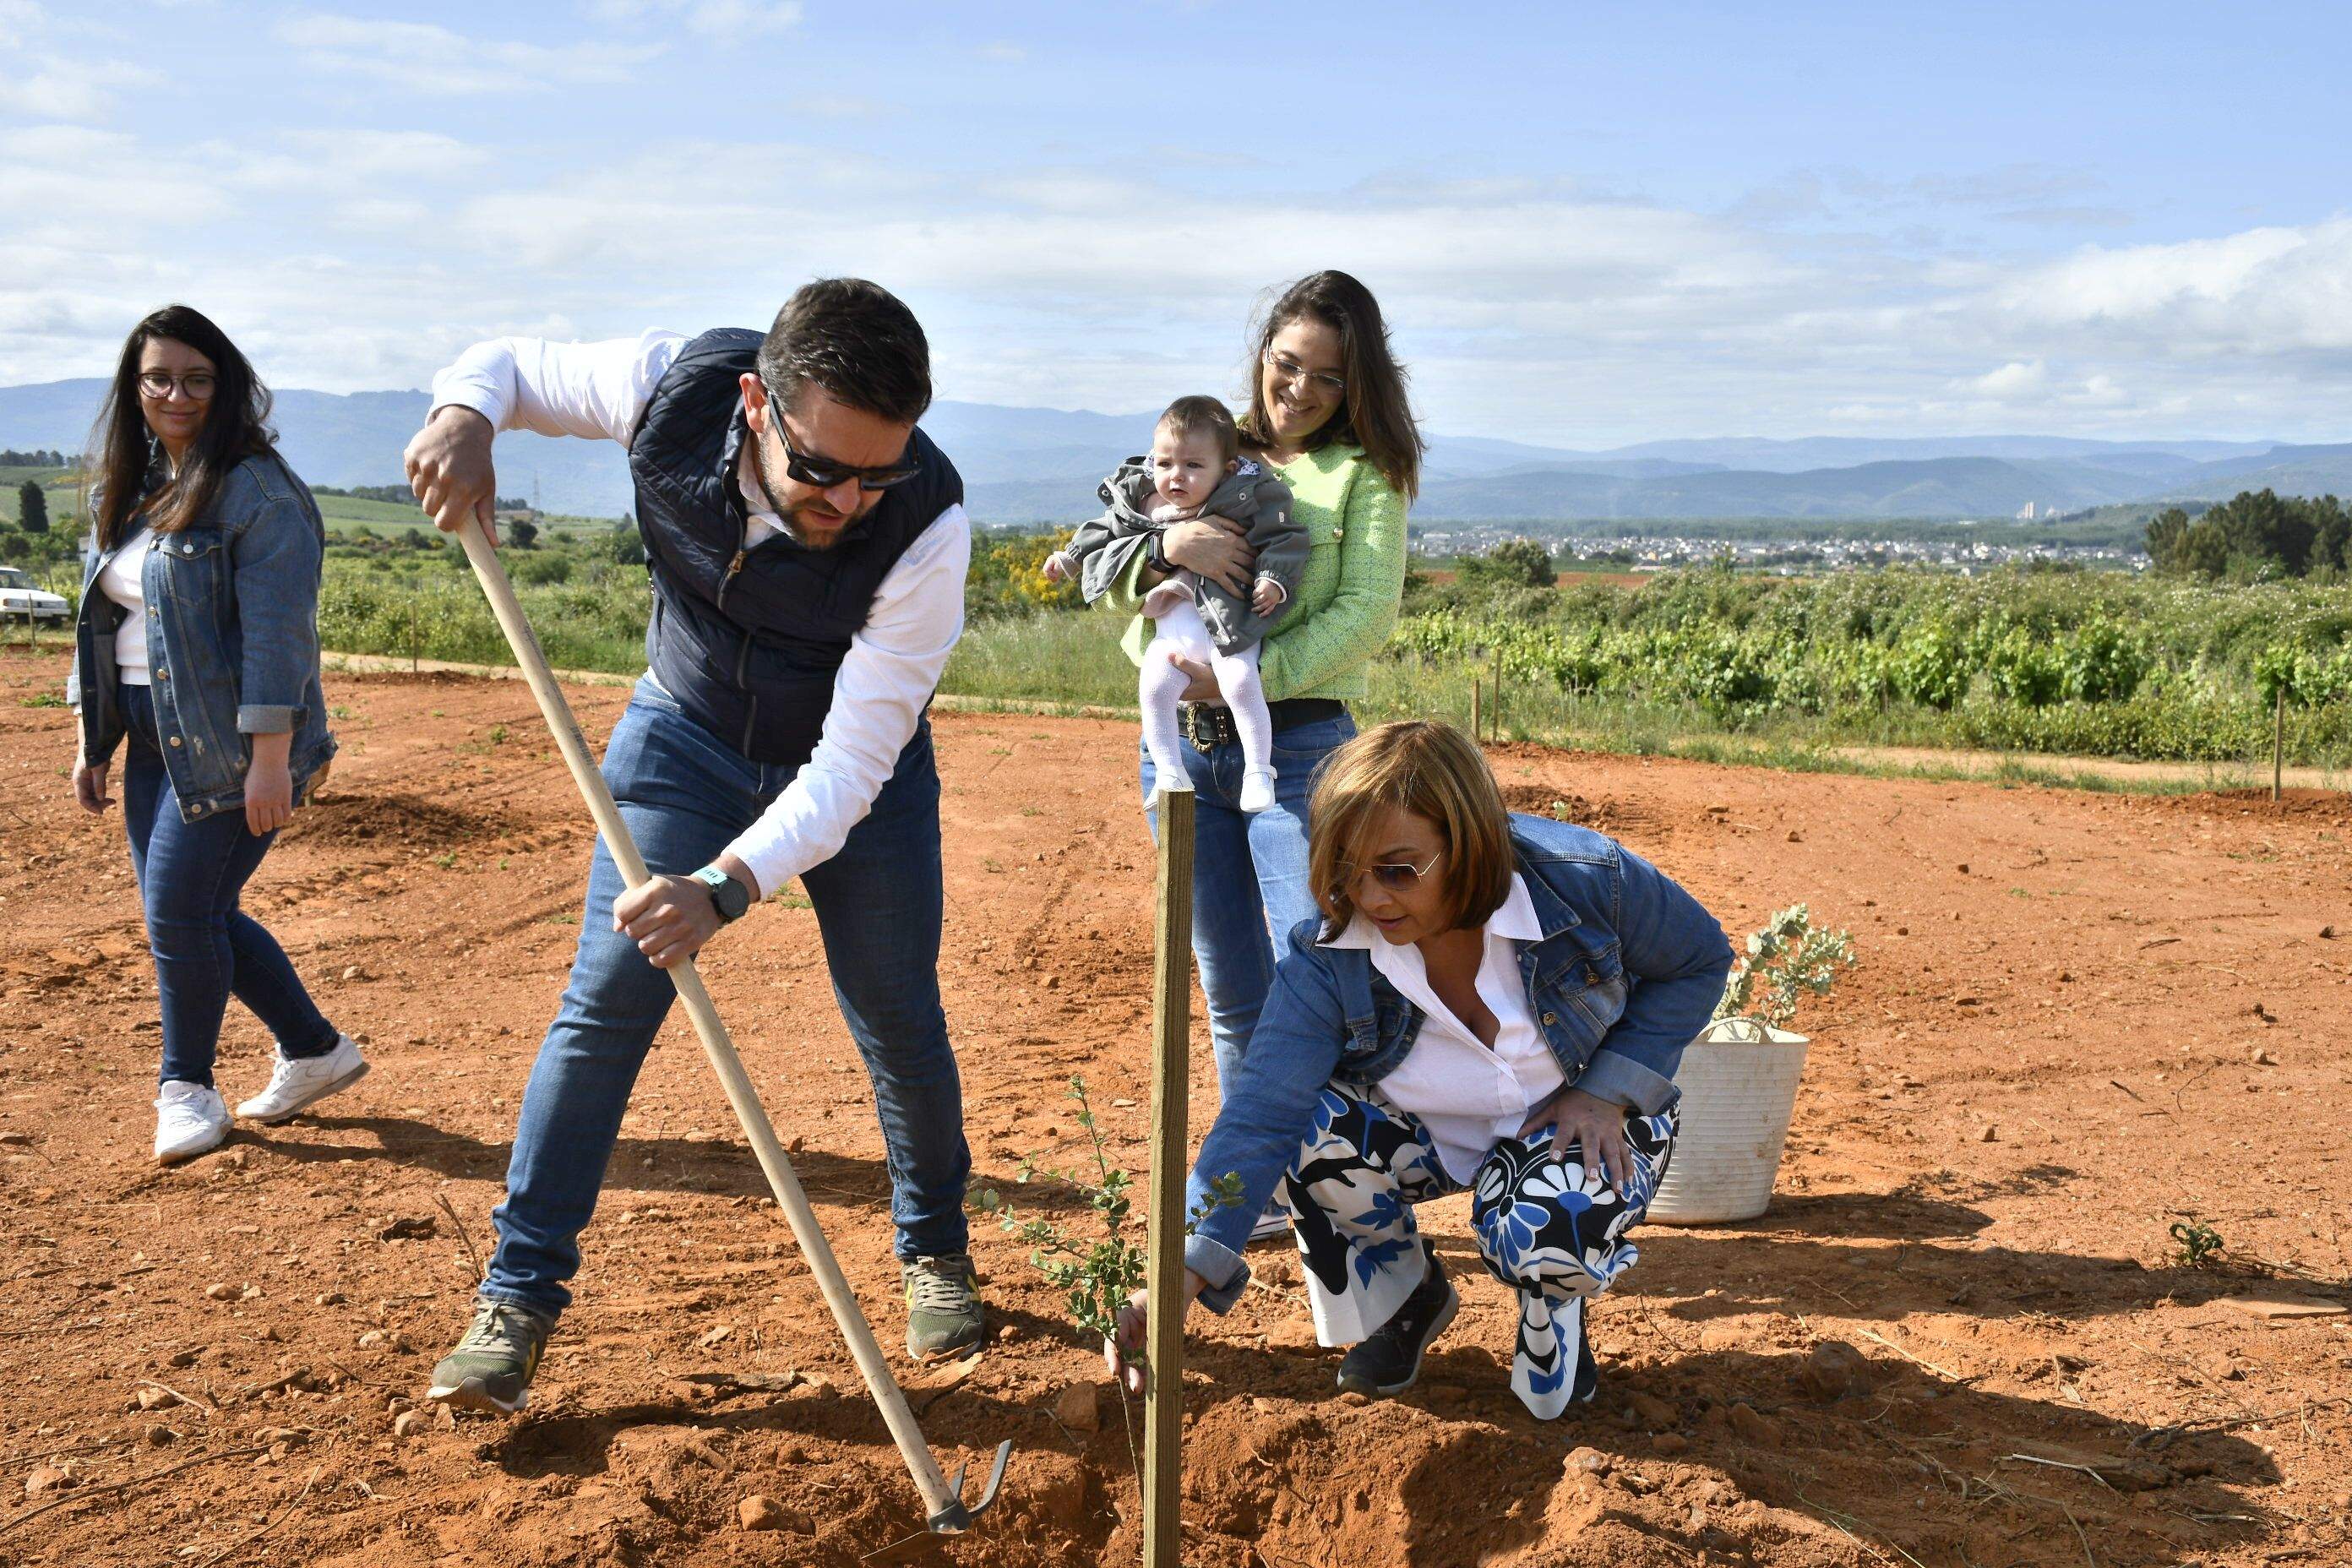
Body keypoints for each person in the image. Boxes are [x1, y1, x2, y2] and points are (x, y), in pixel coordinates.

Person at [400, 280, 982, 1413]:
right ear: (758, 405)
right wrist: (465, 413)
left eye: (879, 473)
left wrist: (726, 885)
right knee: (609, 996)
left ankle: (936, 1250)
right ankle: (517, 1299)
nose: (851, 500)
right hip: (689, 733)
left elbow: (851, 769)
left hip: (855, 775)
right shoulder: (673, 388)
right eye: (823, 470)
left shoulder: (930, 527)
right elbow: (511, 361)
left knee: (896, 1010)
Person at [1110, 721, 1731, 1418]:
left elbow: (1701, 957)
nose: (1371, 898)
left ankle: (1551, 1309)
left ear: (1465, 845)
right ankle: (1405, 1298)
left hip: (1575, 1123)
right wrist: (1176, 1280)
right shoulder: (1331, 950)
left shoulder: (1583, 880)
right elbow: (1262, 1111)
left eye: (1399, 871)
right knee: (1303, 1135)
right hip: (1429, 1130)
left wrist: (1607, 1089)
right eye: (1348, 868)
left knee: (1551, 1224)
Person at [1103, 271, 1420, 1123]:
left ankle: (1336, 1164)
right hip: (1179, 746)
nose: (1301, 390)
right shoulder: (1204, 450)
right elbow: (1110, 567)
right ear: (1262, 356)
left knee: (1311, 967)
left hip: (1302, 748)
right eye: (1289, 364)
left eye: (1329, 377)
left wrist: (1247, 675)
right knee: (1229, 982)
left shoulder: (1368, 473)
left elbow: (1364, 615)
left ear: (1358, 386)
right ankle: (1262, 1183)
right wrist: (1172, 540)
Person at [65, 305, 361, 1165]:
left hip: (233, 750)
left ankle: (186, 1086)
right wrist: (95, 742)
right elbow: (107, 628)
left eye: (197, 378)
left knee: (177, 914)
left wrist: (270, 764)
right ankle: (314, 1050)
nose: (177, 393)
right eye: (159, 377)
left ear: (225, 386)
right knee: (201, 911)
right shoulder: (136, 482)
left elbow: (278, 637)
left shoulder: (258, 490)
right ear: (135, 388)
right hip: (154, 740)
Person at [1045, 396, 1304, 812]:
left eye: (1193, 466)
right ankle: (1169, 772)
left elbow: (1285, 539)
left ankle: (1259, 770)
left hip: (1230, 630)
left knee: (1240, 681)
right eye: (1165, 464)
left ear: (1227, 469)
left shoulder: (1244, 499)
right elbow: (1103, 529)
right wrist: (1070, 557)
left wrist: (1273, 579)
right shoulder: (1145, 504)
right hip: (1171, 636)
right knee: (1153, 686)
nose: (1176, 477)